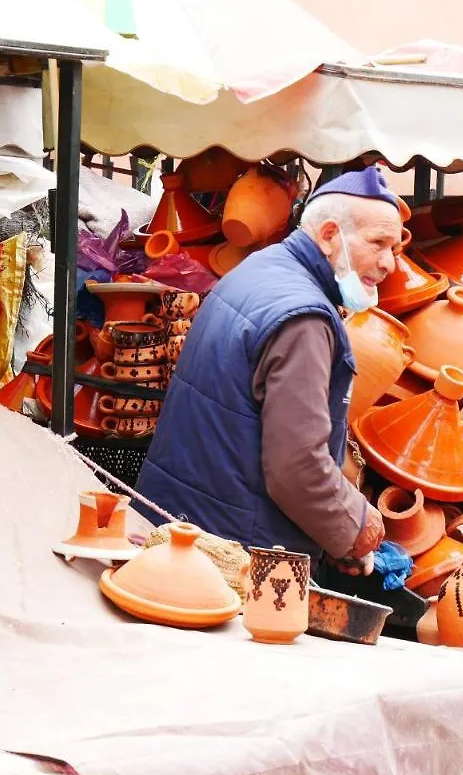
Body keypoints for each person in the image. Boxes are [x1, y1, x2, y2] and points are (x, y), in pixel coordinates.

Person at [136, 167, 404, 569]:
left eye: (394, 249)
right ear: (330, 236)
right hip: (228, 548)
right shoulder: (304, 319)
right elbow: (298, 468)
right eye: (378, 243)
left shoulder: (262, 269)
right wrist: (358, 528)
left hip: (183, 525)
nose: (389, 265)